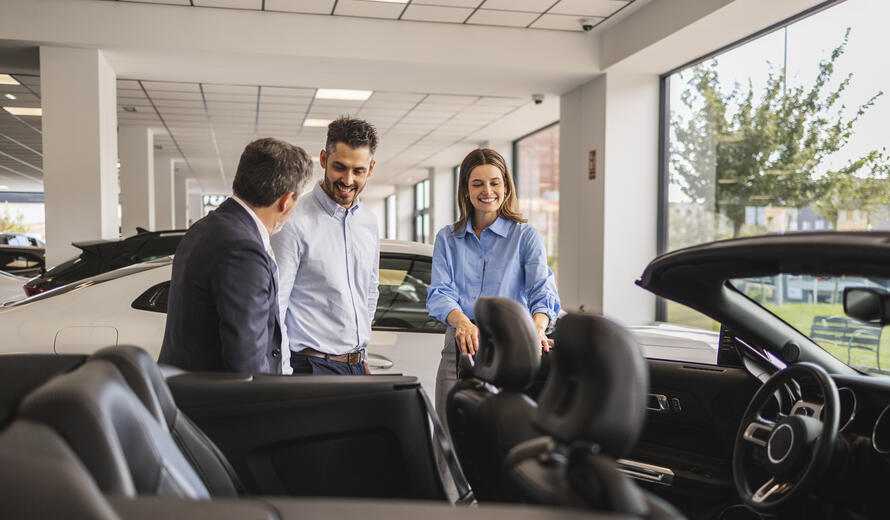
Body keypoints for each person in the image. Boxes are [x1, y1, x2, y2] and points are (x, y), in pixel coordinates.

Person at [159, 138, 313, 374]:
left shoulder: (205, 227)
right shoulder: (243, 250)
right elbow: (247, 361)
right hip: (218, 404)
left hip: (187, 390)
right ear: (285, 201)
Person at [426, 148, 560, 417]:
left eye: (494, 182)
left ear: (506, 186)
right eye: (477, 183)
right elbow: (440, 292)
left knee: (501, 439)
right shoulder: (448, 238)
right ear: (466, 190)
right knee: (450, 440)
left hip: (511, 347)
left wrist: (536, 328)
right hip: (461, 346)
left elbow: (541, 291)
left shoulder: (525, 236)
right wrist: (462, 322)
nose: (487, 190)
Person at [271, 116, 380, 375]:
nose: (348, 179)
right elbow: (276, 304)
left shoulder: (369, 222)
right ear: (323, 159)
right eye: (339, 167)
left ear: (371, 168)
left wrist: (361, 348)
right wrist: (283, 371)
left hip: (356, 365)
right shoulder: (294, 220)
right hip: (311, 366)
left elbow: (370, 289)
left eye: (358, 171)